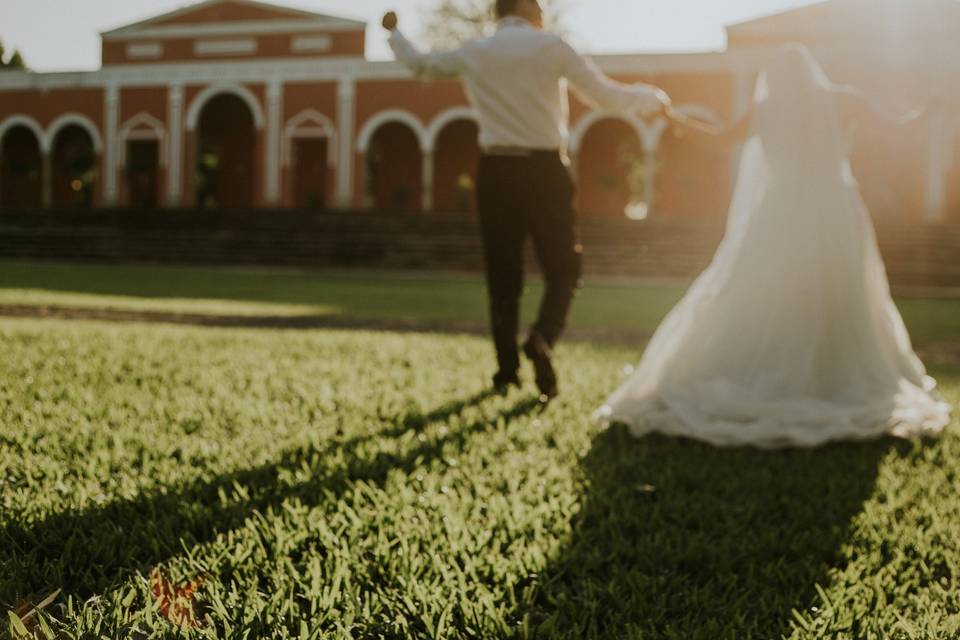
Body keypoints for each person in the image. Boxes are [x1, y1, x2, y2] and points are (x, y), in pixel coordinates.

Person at [595, 44, 952, 448]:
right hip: (833, 210)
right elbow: (898, 126)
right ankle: (829, 378)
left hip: (779, 213)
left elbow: (717, 139)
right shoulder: (841, 100)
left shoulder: (767, 108)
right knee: (839, 293)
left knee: (765, 292)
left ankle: (775, 374)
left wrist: (671, 116)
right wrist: (930, 105)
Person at [382, 0, 671, 400]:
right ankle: (543, 337)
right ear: (531, 11)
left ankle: (506, 372)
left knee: (503, 278)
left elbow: (421, 64)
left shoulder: (475, 52)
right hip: (545, 170)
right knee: (564, 268)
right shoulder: (551, 47)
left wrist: (394, 33)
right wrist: (652, 98)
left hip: (496, 173)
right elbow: (606, 95)